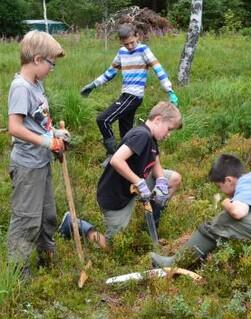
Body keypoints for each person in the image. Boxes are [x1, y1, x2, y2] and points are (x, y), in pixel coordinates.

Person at [7, 30, 69, 275]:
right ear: (37, 59)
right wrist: (46, 142)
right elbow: (15, 127)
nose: (52, 69)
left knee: (47, 216)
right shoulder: (20, 87)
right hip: (27, 165)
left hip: (41, 162)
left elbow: (40, 120)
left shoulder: (37, 84)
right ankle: (17, 271)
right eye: (51, 63)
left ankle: (46, 258)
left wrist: (55, 134)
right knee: (27, 219)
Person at [80, 23, 179, 156]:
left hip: (134, 96)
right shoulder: (122, 52)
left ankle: (112, 154)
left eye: (132, 42)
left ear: (137, 36)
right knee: (126, 132)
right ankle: (132, 158)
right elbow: (110, 72)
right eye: (126, 44)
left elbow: (158, 69)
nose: (130, 46)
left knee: (103, 120)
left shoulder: (144, 50)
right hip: (126, 94)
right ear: (121, 42)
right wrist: (93, 85)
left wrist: (169, 91)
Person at [97, 101, 182, 241]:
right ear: (158, 120)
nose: (169, 134)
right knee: (114, 244)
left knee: (173, 179)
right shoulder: (142, 135)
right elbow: (116, 160)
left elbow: (155, 160)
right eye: (169, 129)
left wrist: (160, 180)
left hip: (135, 185)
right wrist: (139, 183)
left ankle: (150, 226)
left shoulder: (151, 137)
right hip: (117, 195)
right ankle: (78, 225)